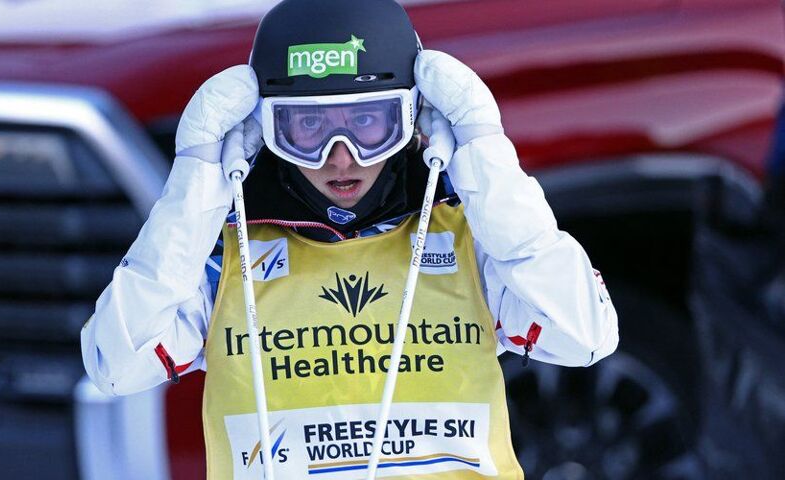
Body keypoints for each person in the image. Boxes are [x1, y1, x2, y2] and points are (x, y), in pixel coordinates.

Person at [81, 0, 619, 478]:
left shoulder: (470, 242)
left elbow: (584, 335)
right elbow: (115, 365)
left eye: (368, 121)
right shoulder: (225, 259)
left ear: (412, 118)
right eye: (308, 129)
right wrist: (195, 183)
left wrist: (486, 154)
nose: (342, 156)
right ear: (266, 128)